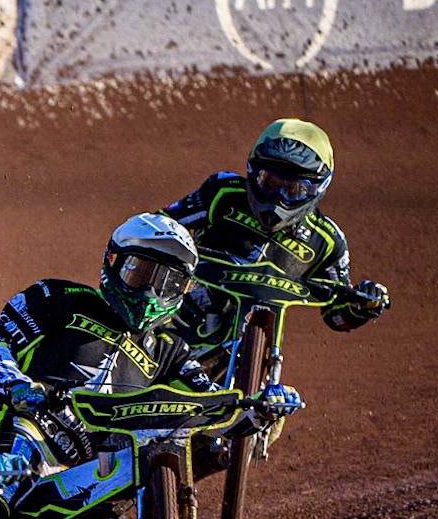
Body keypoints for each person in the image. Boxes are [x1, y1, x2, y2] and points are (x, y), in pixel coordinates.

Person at [0, 213, 298, 519]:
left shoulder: (171, 352)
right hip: (29, 444)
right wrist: (19, 386)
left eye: (167, 282)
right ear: (112, 262)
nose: (150, 293)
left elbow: (213, 406)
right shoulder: (58, 297)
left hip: (94, 479)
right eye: (140, 274)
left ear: (184, 290)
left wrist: (260, 412)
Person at [162, 119, 389, 354]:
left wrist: (363, 306)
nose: (277, 198)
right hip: (180, 317)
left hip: (254, 343)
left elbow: (336, 315)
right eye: (268, 183)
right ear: (252, 171)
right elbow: (161, 223)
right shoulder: (223, 192)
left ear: (317, 188)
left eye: (293, 190)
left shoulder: (327, 241)